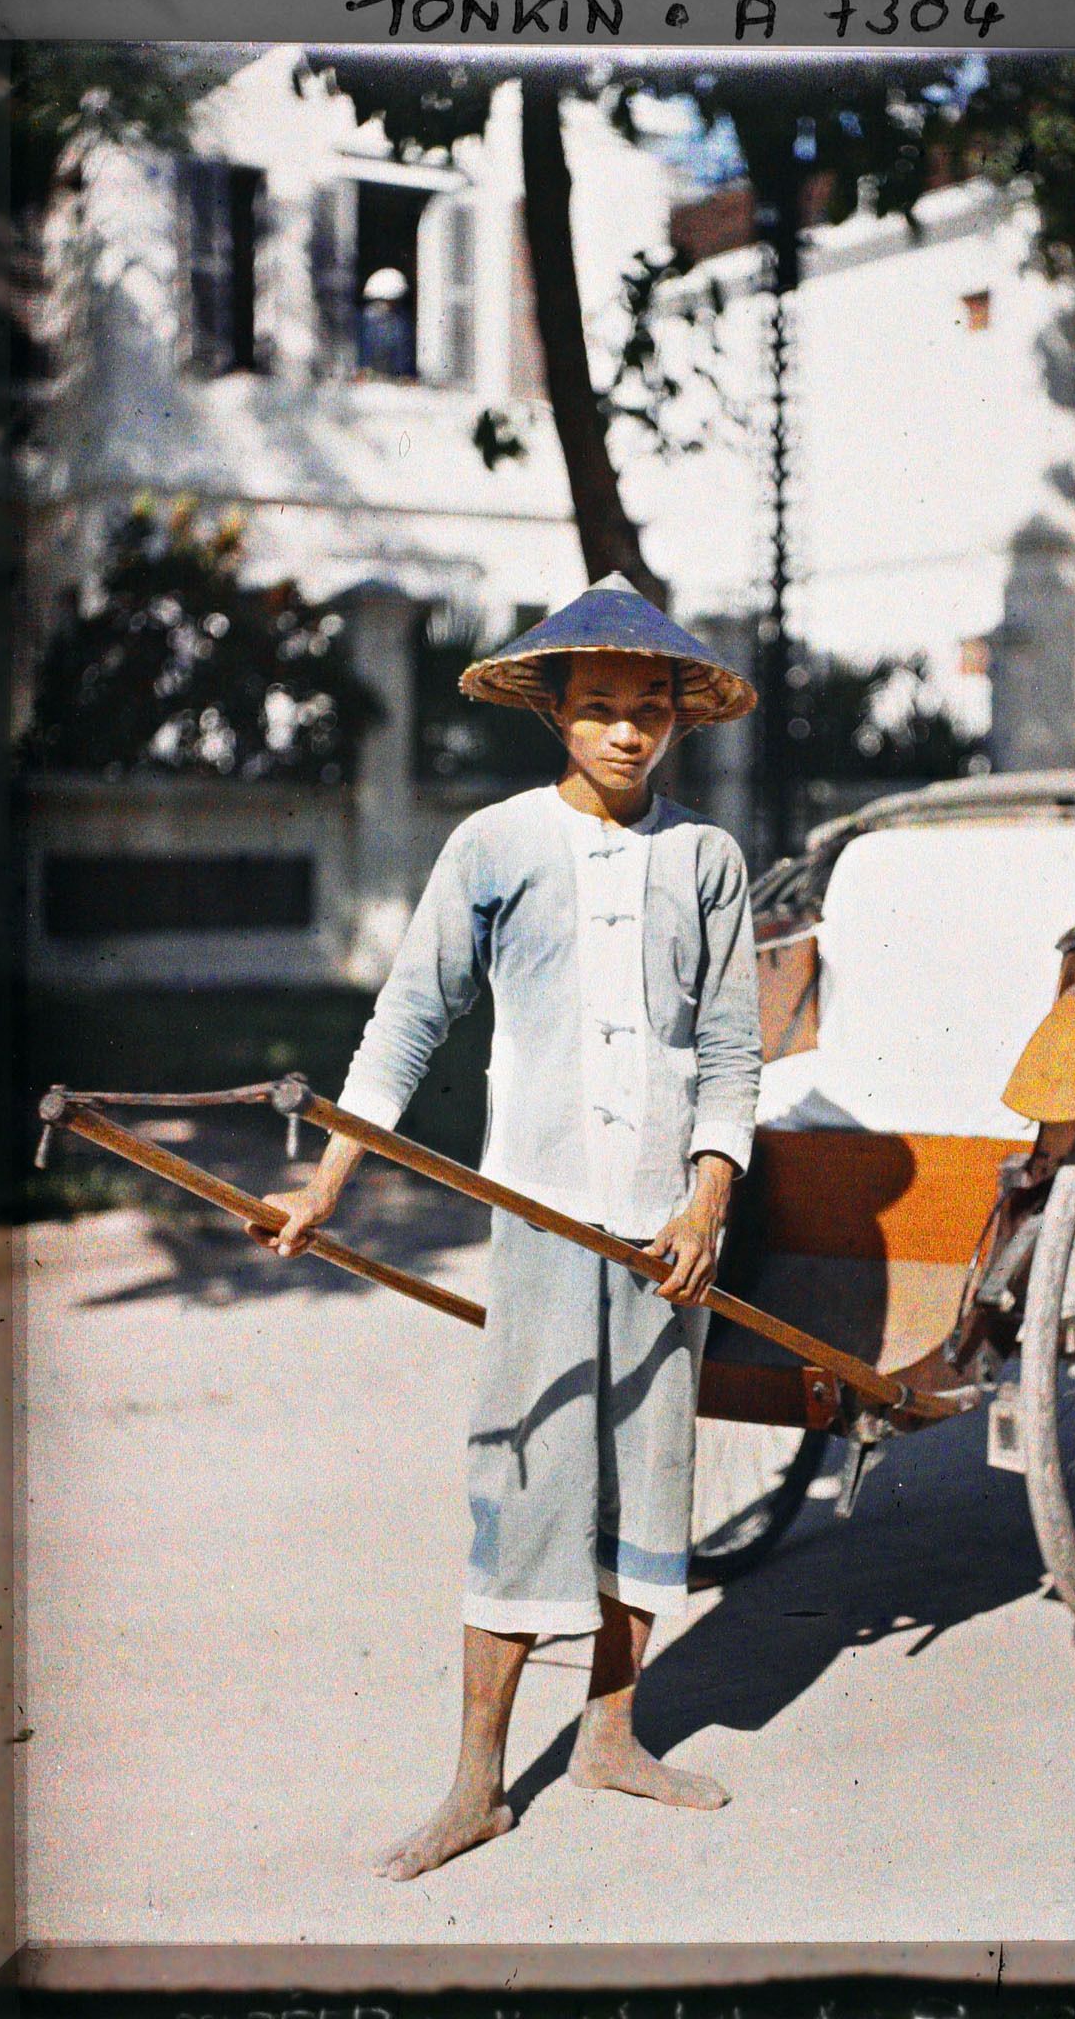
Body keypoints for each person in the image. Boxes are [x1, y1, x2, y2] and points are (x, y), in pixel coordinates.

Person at [250, 573, 762, 1878]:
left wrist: (709, 1194)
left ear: (679, 721)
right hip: (542, 1226)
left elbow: (730, 1053)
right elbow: (409, 1018)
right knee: (524, 1485)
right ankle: (476, 1784)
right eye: (600, 708)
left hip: (664, 1236)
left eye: (650, 709)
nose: (628, 732)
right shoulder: (492, 849)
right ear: (556, 712)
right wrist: (326, 1187)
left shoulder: (707, 861)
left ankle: (609, 1738)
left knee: (646, 1486)